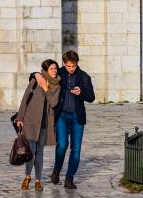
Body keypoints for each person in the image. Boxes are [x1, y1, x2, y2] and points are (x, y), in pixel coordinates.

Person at [50, 50, 95, 190]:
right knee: (62, 145)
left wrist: (81, 93)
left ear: (77, 64)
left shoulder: (84, 77)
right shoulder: (59, 73)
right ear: (64, 63)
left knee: (76, 149)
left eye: (73, 66)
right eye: (68, 66)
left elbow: (91, 97)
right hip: (61, 116)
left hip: (77, 117)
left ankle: (69, 178)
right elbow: (41, 73)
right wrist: (36, 75)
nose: (71, 68)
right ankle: (57, 170)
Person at [16, 59, 61, 192]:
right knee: (31, 152)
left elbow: (53, 103)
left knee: (39, 152)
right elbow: (25, 99)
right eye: (52, 69)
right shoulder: (35, 81)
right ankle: (27, 177)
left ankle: (37, 180)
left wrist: (47, 89)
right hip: (30, 122)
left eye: (56, 69)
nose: (55, 71)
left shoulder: (57, 85)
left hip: (45, 124)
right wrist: (20, 117)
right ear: (46, 70)